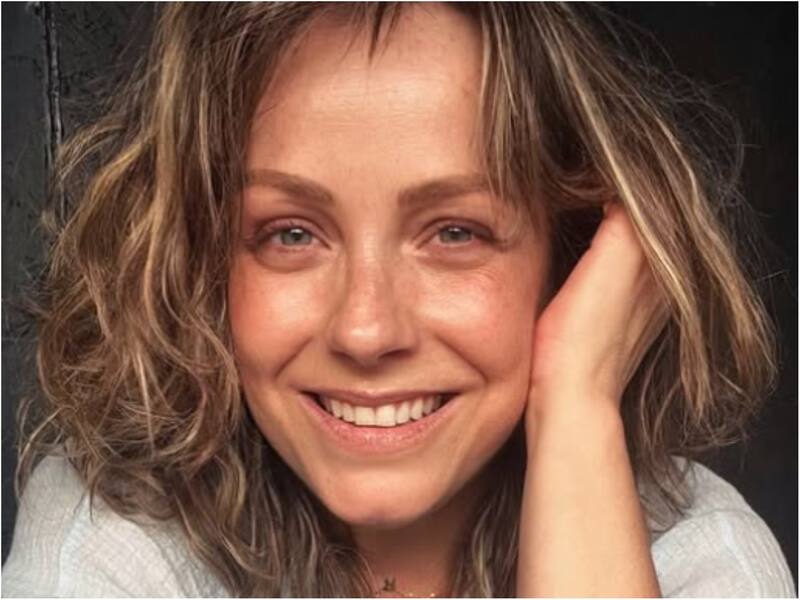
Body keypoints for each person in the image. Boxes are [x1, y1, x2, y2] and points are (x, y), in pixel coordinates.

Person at [2, 2, 795, 597]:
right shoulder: (112, 540)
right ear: (199, 258)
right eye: (291, 233)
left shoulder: (695, 555)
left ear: (573, 251)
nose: (366, 328)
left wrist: (577, 407)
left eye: (454, 232)